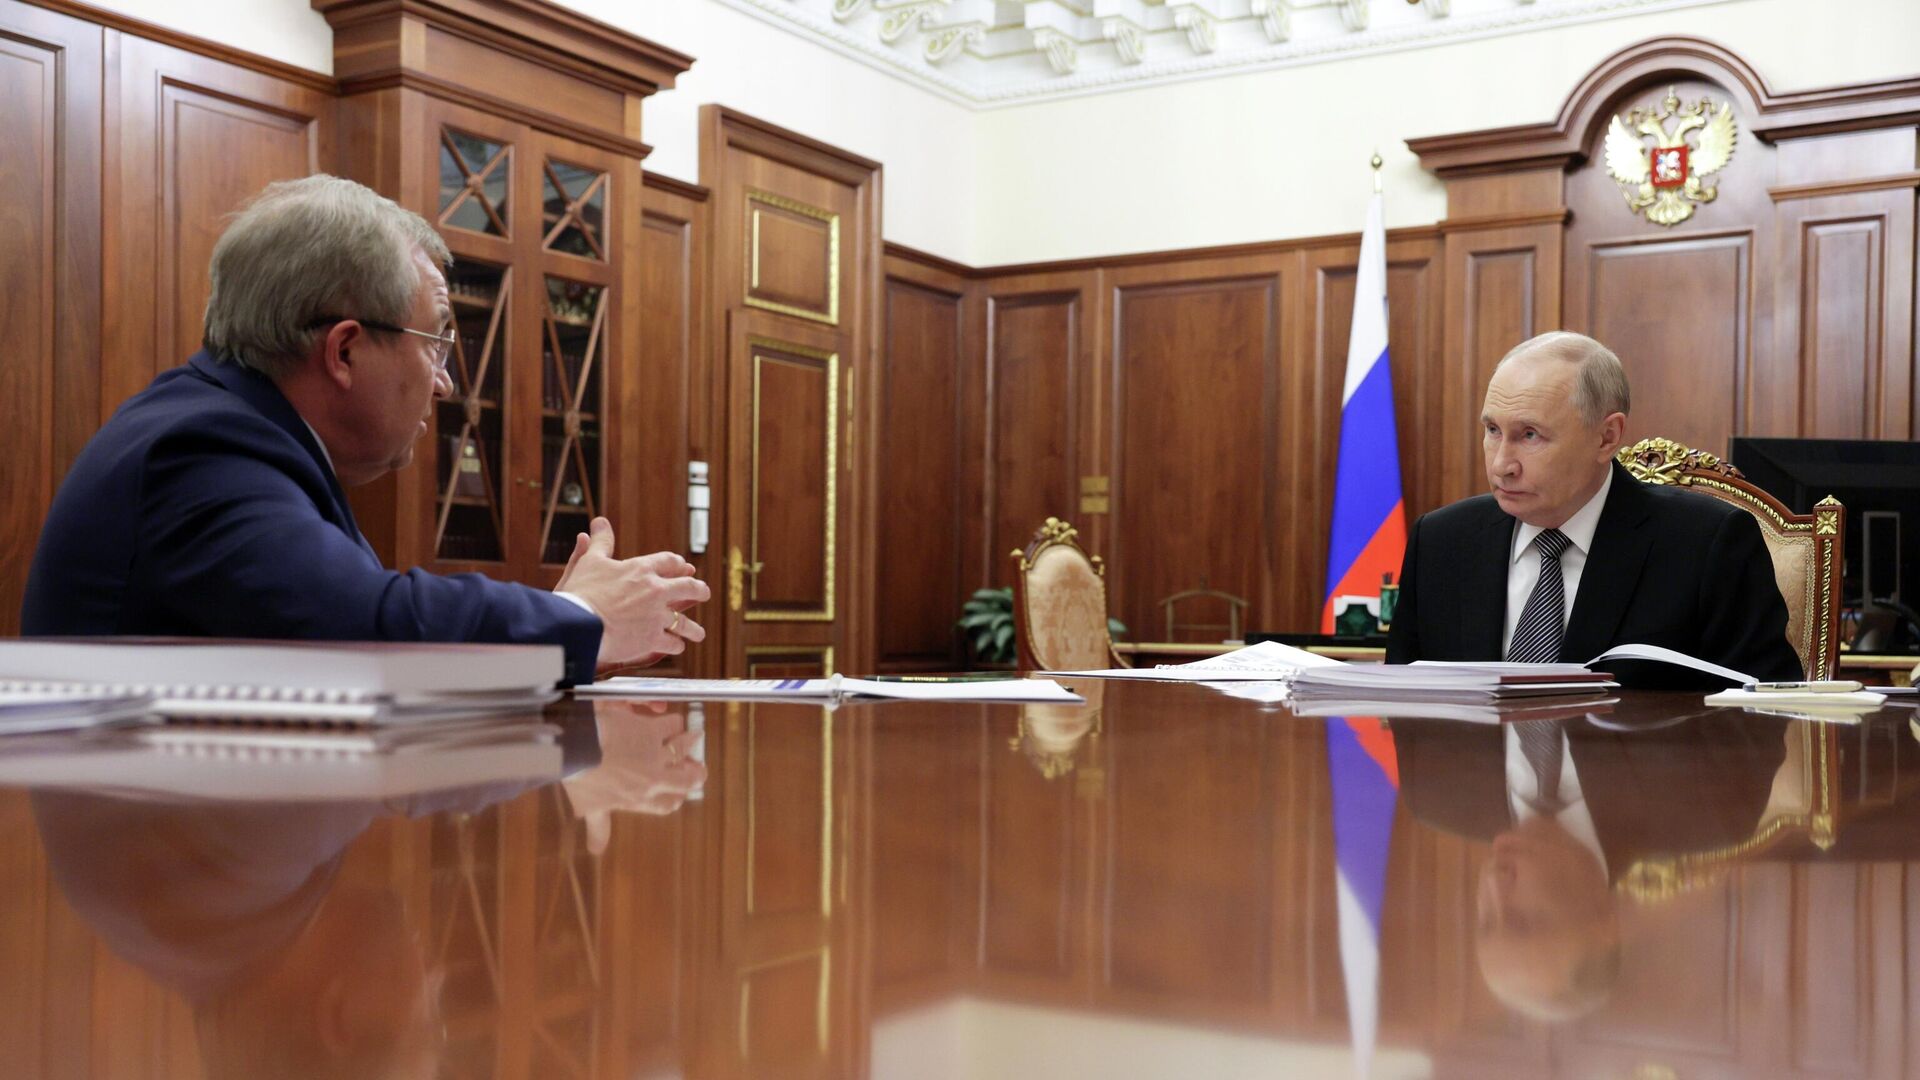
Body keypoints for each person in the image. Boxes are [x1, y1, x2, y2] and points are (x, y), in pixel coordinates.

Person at [20, 175, 705, 685]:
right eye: (436, 343)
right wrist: (583, 618)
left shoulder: (237, 433)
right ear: (344, 350)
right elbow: (367, 632)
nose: (445, 383)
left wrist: (566, 629)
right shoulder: (203, 451)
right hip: (153, 832)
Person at [1385, 331, 1801, 689]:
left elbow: (1762, 714)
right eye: (1493, 430)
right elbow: (1400, 707)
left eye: (1529, 435)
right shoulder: (1440, 542)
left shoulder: (1707, 543)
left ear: (1606, 437)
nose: (1501, 465)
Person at [1392, 704, 1788, 1020]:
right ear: (1601, 919)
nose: (1493, 884)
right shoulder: (1707, 803)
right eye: (1521, 920)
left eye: (1485, 921)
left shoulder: (1433, 791)